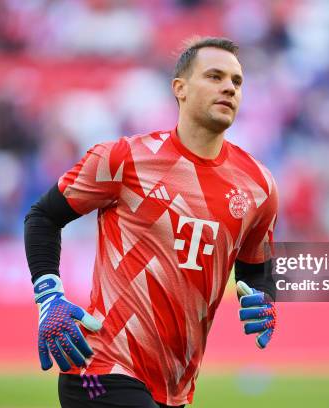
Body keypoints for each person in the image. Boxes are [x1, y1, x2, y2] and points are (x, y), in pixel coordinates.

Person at [24, 37, 278, 408]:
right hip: (100, 370)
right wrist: (48, 297)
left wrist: (265, 298)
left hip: (174, 387)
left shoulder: (258, 186)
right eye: (215, 76)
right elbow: (43, 216)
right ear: (180, 89)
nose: (229, 87)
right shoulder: (125, 159)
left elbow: (256, 269)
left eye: (237, 82)